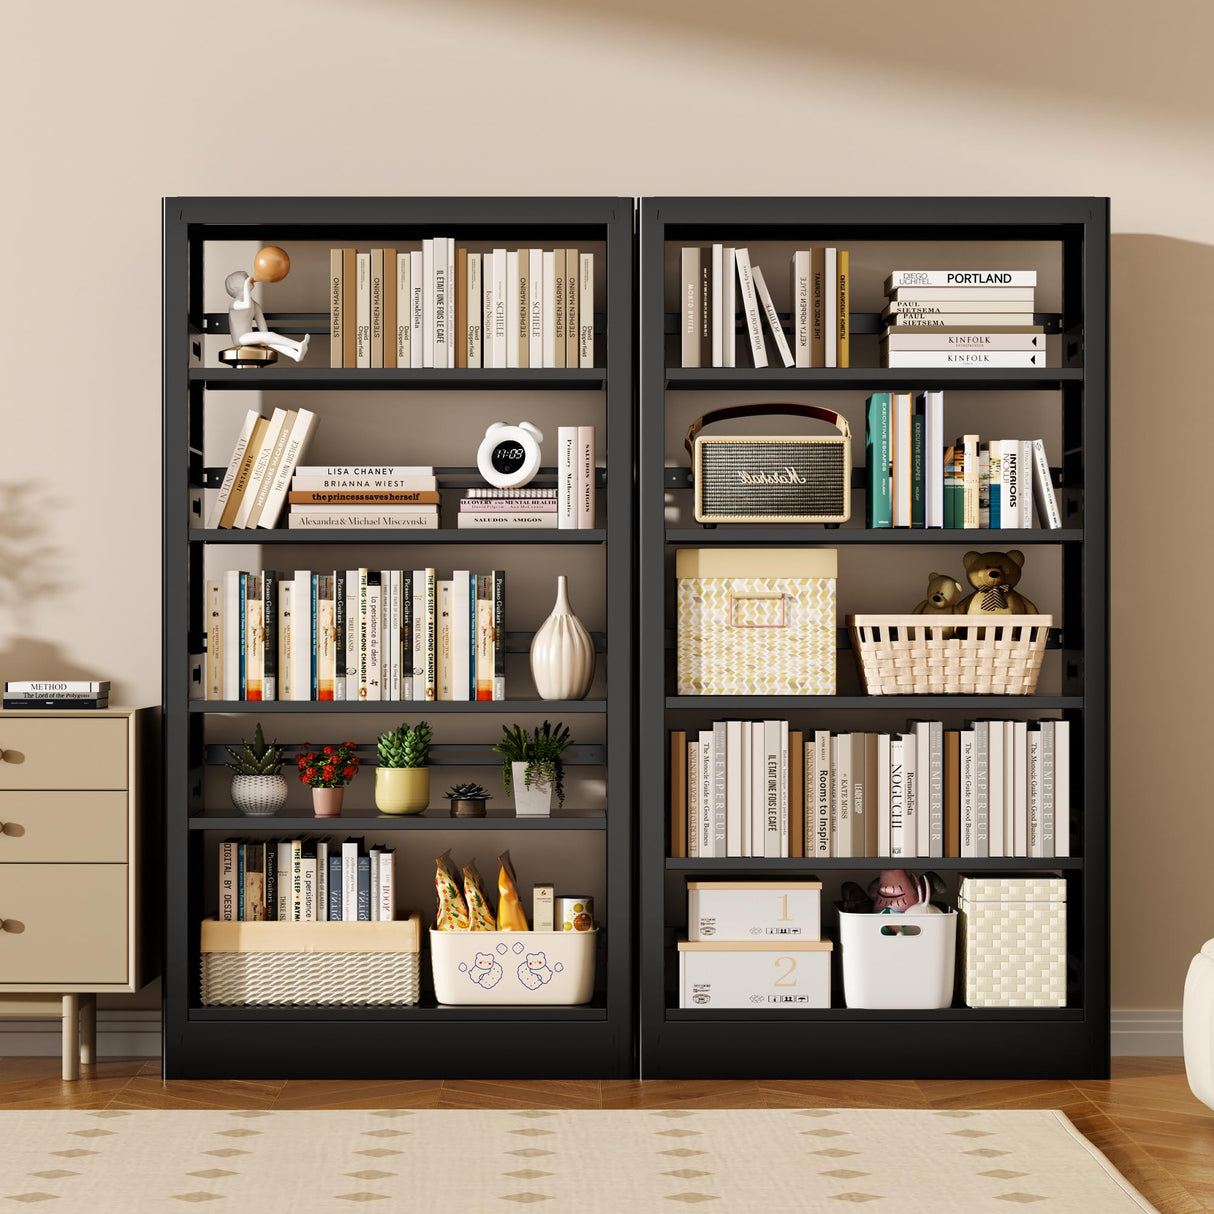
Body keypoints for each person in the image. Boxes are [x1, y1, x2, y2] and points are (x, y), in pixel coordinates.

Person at [225, 246, 310, 362]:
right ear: (236, 287)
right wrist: (247, 285)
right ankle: (297, 345)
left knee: (269, 339)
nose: (249, 278)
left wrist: (266, 339)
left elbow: (263, 329)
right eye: (245, 278)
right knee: (268, 336)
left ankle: (295, 355)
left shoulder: (255, 305)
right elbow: (246, 306)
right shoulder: (235, 304)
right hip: (241, 339)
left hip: (250, 337)